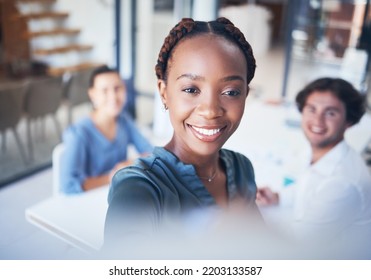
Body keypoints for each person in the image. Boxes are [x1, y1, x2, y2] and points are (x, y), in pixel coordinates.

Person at [103, 17, 265, 257]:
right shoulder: (140, 188)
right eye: (191, 90)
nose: (210, 110)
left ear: (245, 96)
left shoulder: (242, 168)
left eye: (231, 92)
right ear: (164, 93)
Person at [257, 77, 371, 256]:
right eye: (312, 109)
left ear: (348, 120)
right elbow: (308, 184)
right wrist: (278, 197)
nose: (318, 120)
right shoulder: (317, 152)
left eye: (330, 113)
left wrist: (244, 217)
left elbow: (300, 244)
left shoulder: (343, 181)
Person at [60, 65, 153, 194]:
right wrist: (115, 175)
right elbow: (68, 185)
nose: (113, 97)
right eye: (105, 91)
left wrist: (132, 163)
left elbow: (150, 152)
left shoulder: (124, 120)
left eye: (117, 88)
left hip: (119, 194)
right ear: (92, 95)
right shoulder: (78, 133)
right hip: (89, 200)